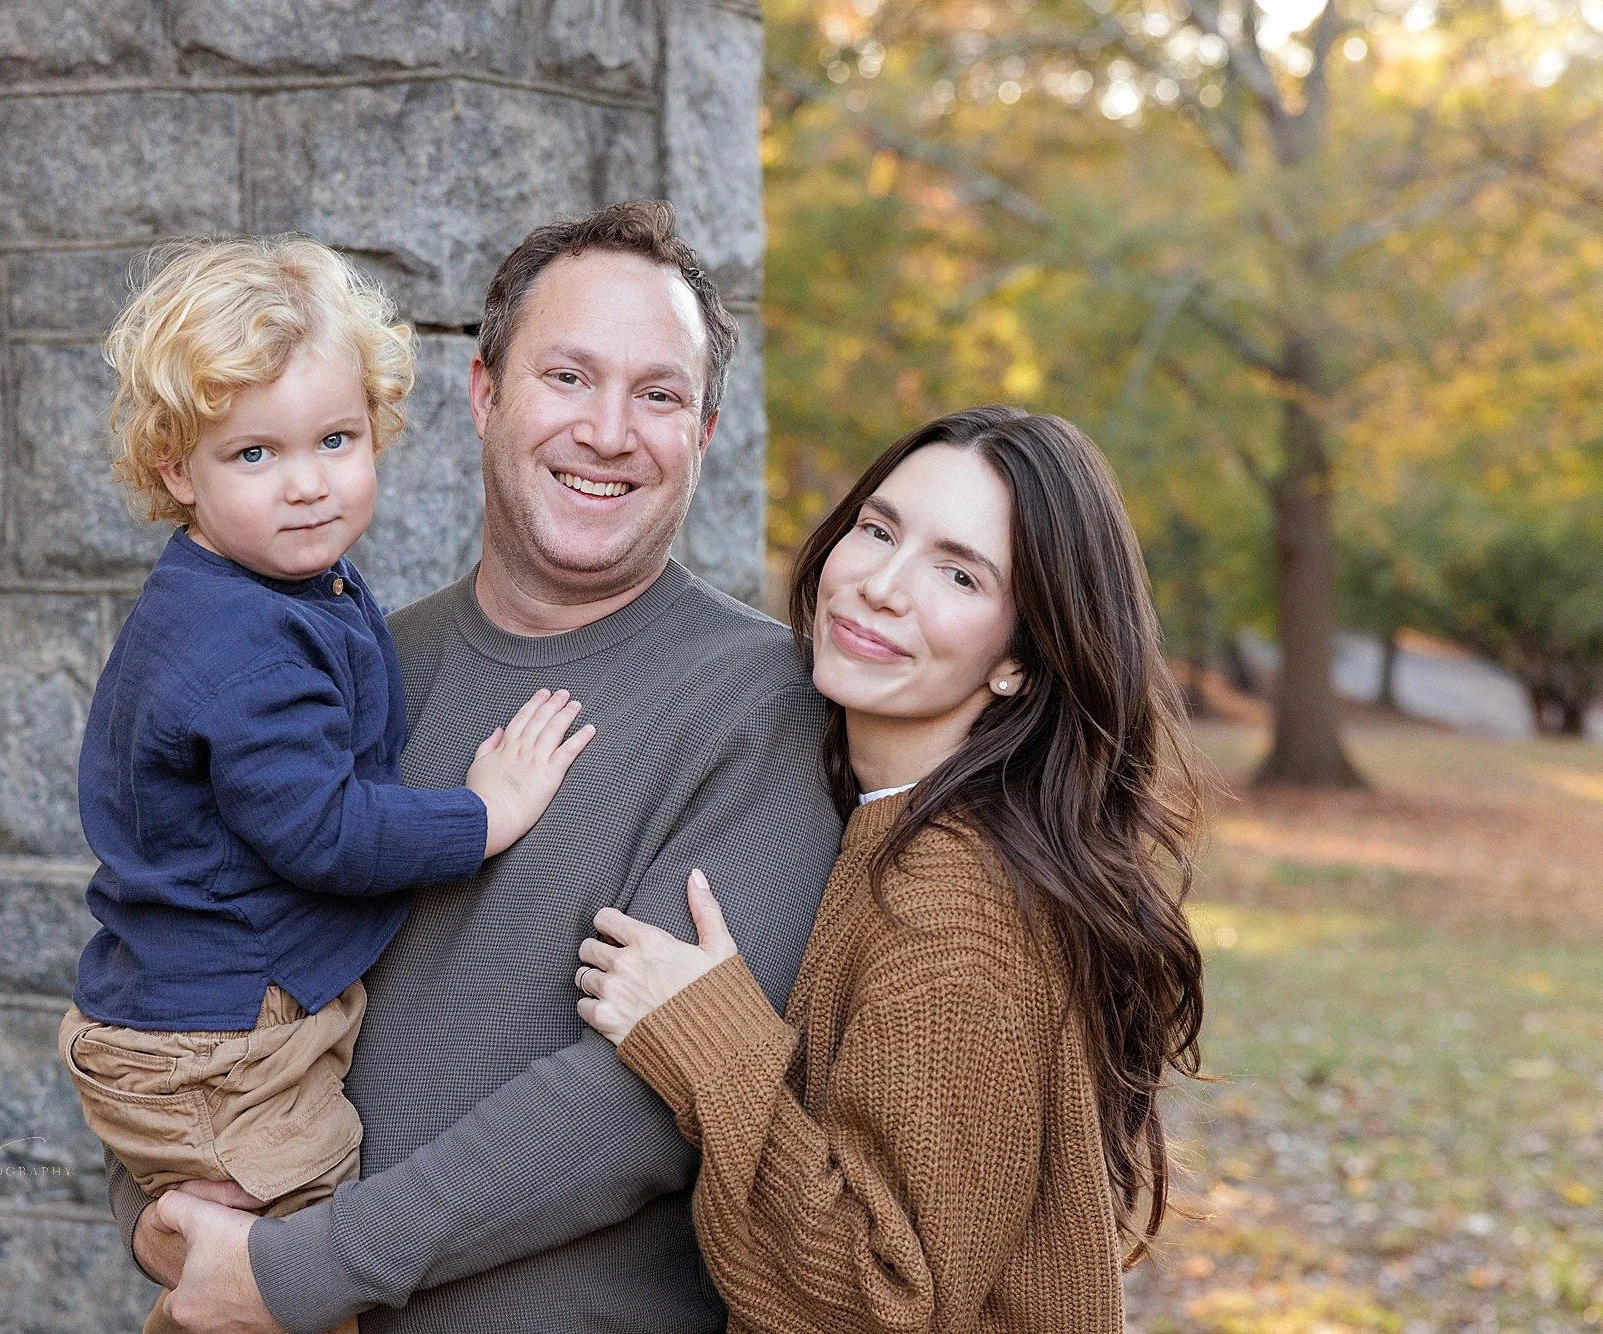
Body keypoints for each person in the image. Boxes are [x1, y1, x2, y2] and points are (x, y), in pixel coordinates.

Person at [104, 201, 847, 1333]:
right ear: (484, 393)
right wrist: (161, 1203)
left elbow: (643, 1096)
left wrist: (303, 1268)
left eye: (657, 394)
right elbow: (184, 948)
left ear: (700, 434)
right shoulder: (349, 668)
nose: (607, 429)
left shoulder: (766, 705)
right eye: (567, 377)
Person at [60, 236, 596, 1334]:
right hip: (217, 1040)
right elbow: (321, 831)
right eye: (253, 454)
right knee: (287, 1275)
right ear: (178, 471)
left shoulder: (271, 585)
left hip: (200, 1019)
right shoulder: (243, 647)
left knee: (243, 1263)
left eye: (335, 439)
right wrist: (483, 814)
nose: (307, 482)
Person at [576, 406, 1208, 1332]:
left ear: (1020, 664)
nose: (881, 585)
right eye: (878, 530)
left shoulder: (950, 904)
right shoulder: (906, 825)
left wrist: (708, 1043)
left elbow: (884, 1301)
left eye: (958, 573)